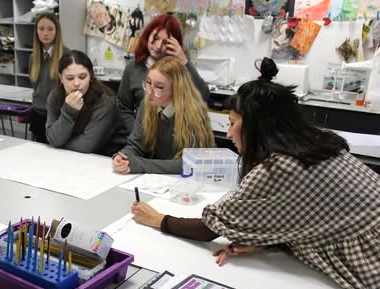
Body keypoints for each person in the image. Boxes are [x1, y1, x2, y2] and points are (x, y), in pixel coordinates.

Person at [131, 58, 380, 289]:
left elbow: (210, 229)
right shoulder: (316, 143)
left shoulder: (278, 167)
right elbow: (317, 217)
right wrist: (267, 238)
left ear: (254, 126)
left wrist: (157, 219)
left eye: (231, 123)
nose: (228, 134)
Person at [112, 56, 215, 174]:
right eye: (148, 83)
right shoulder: (147, 104)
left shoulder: (194, 113)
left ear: (176, 89)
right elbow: (135, 145)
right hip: (155, 178)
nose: (149, 92)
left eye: (159, 87)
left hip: (186, 180)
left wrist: (140, 164)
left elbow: (189, 163)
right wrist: (123, 157)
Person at [117, 14, 209, 138]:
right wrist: (137, 133)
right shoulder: (133, 68)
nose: (158, 46)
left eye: (166, 42)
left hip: (173, 139)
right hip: (141, 137)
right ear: (147, 36)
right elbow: (123, 107)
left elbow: (203, 95)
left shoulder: (178, 69)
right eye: (155, 38)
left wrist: (184, 61)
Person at [46, 50, 125, 156]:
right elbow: (53, 138)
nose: (76, 83)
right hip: (70, 157)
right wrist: (69, 111)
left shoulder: (106, 101)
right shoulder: (55, 96)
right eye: (69, 78)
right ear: (61, 78)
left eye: (82, 77)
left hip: (106, 159)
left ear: (90, 76)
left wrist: (59, 143)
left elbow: (86, 145)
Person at [29, 13, 69, 143]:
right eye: (41, 29)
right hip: (38, 114)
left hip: (57, 117)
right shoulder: (33, 57)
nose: (45, 33)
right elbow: (34, 84)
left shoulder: (67, 56)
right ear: (36, 32)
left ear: (57, 31)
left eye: (50, 29)